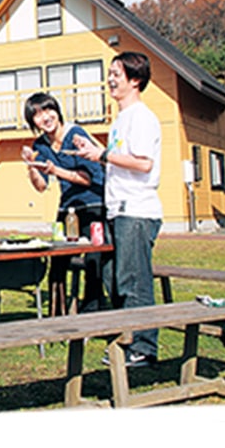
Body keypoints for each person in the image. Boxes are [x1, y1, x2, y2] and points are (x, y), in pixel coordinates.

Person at [74, 52, 163, 367]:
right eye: (110, 73)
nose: (110, 79)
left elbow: (143, 163)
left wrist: (102, 154)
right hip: (117, 210)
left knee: (133, 279)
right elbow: (117, 160)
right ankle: (129, 340)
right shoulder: (120, 120)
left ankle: (144, 347)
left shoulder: (141, 117)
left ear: (135, 80)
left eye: (117, 74)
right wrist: (97, 155)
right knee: (113, 276)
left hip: (137, 210)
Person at [20, 91, 107, 311]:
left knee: (93, 260)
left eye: (48, 110)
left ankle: (93, 312)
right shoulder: (41, 145)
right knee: (57, 258)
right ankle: (56, 315)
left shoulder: (75, 134)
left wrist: (56, 170)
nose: (45, 117)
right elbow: (41, 186)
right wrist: (31, 166)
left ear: (57, 111)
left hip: (93, 204)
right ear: (33, 122)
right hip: (68, 207)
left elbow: (88, 178)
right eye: (37, 115)